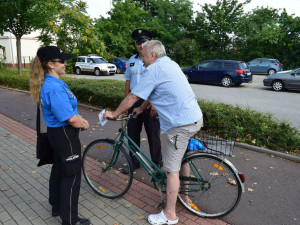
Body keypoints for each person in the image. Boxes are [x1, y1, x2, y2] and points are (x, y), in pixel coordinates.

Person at [104, 40, 203, 225]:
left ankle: (170, 215)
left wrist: (114, 113)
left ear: (153, 55)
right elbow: (151, 92)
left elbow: (133, 95)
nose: (141, 60)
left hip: (181, 124)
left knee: (171, 170)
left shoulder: (154, 69)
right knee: (182, 159)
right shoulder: (170, 63)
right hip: (194, 118)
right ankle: (185, 198)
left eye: (143, 56)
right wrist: (141, 109)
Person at [29, 46, 90, 225]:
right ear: (50, 64)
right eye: (62, 61)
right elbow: (69, 118)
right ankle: (70, 219)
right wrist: (82, 122)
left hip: (57, 134)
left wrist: (77, 117)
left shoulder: (52, 82)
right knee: (71, 176)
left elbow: (67, 111)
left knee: (59, 170)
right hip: (65, 135)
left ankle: (56, 205)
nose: (65, 63)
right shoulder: (53, 87)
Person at [123, 28, 162, 173]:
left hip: (150, 101)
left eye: (144, 42)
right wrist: (127, 101)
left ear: (149, 43)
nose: (141, 45)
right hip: (134, 101)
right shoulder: (131, 60)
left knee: (153, 135)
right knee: (132, 134)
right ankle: (134, 162)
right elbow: (128, 81)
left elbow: (158, 83)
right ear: (135, 45)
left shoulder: (154, 59)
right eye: (138, 43)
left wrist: (154, 103)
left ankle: (157, 164)